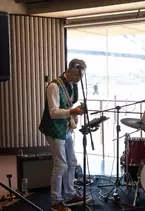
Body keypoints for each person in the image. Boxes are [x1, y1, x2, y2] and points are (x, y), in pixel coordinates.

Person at [39, 59, 91, 211]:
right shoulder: (54, 86)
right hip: (54, 129)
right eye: (78, 75)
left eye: (81, 76)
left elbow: (69, 104)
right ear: (70, 70)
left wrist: (76, 111)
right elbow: (53, 113)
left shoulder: (73, 85)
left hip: (66, 128)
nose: (80, 79)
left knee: (72, 161)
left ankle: (69, 194)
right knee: (61, 164)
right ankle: (56, 201)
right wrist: (72, 112)